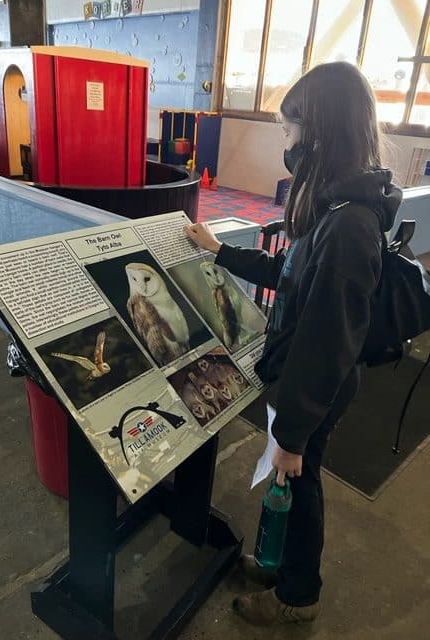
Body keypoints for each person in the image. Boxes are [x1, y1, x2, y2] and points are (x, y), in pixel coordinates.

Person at [184, 61, 402, 626]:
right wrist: (220, 251)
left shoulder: (350, 226)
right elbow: (291, 275)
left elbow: (328, 344)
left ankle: (298, 597)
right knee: (294, 484)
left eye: (289, 129)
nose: (285, 141)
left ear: (319, 129)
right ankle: (286, 571)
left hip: (316, 388)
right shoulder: (334, 208)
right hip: (306, 381)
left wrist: (291, 432)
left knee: (299, 487)